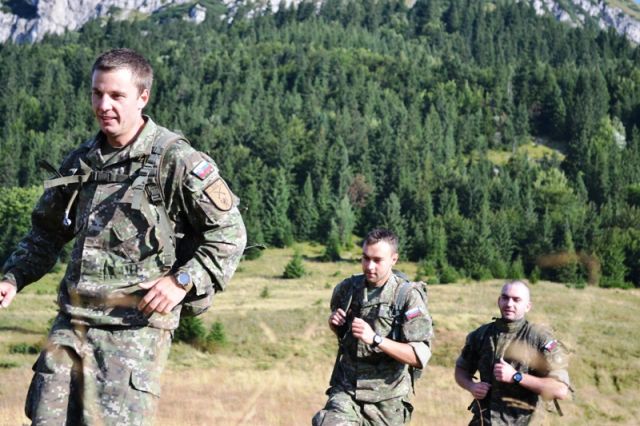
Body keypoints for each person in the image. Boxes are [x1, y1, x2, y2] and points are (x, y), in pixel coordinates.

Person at [0, 48, 246, 425]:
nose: (104, 106)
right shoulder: (82, 160)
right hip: (72, 325)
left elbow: (230, 232)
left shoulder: (176, 160)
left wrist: (182, 280)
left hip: (133, 333)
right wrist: (13, 277)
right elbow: (46, 231)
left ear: (142, 97)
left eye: (116, 95)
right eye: (97, 94)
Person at [313, 229, 433, 426]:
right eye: (366, 258)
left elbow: (418, 357)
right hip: (346, 390)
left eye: (377, 260)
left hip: (386, 400)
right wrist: (335, 324)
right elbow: (343, 336)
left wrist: (376, 339)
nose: (369, 266)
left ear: (394, 259)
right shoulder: (347, 289)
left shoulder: (407, 296)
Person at [454, 280, 571, 425]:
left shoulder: (540, 339)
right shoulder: (481, 335)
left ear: (528, 306)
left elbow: (560, 390)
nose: (509, 304)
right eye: (505, 298)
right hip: (483, 421)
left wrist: (516, 376)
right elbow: (461, 369)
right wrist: (471, 386)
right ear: (499, 301)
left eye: (516, 300)